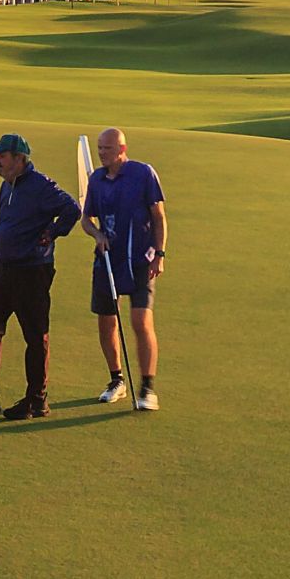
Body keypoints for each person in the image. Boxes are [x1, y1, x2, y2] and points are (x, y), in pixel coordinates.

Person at [0, 133, 79, 423]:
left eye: (2, 156)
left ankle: (37, 400)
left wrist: (52, 233)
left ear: (20, 159)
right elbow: (4, 226)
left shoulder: (41, 186)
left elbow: (72, 210)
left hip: (32, 271)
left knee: (34, 335)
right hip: (6, 269)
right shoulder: (5, 188)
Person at [82, 127, 167, 413]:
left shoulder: (143, 174)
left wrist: (160, 254)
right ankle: (116, 380)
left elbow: (159, 217)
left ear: (121, 149)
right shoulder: (96, 179)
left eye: (106, 148)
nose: (101, 153)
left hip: (140, 260)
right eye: (99, 148)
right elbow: (86, 219)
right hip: (107, 260)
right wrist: (97, 235)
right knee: (107, 322)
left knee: (141, 322)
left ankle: (147, 387)